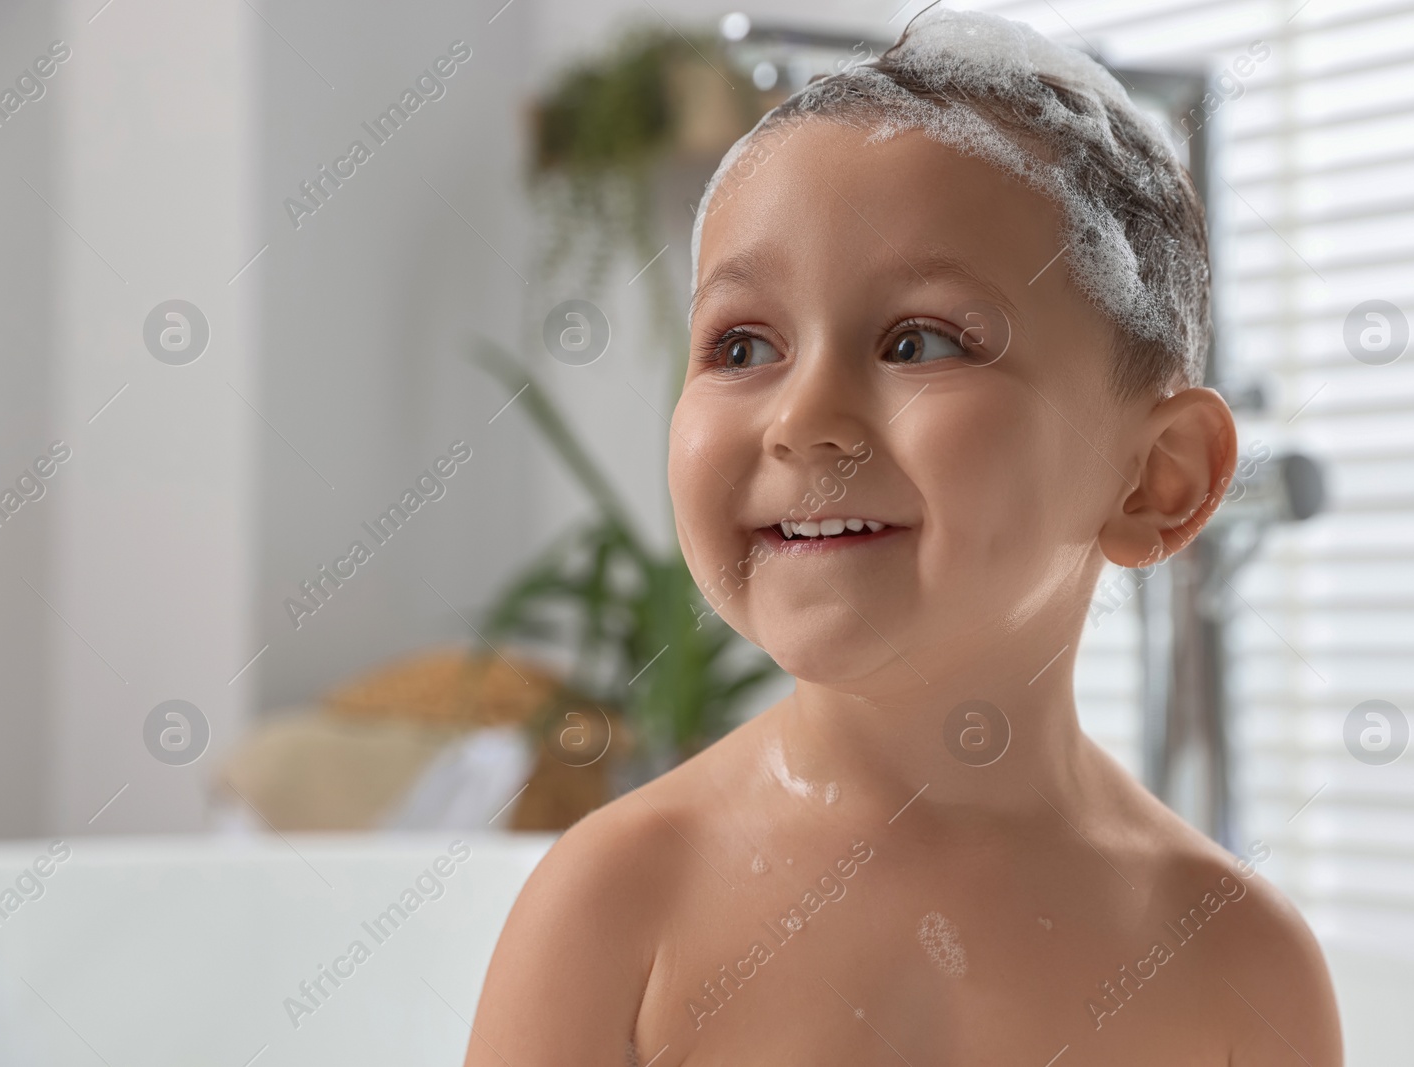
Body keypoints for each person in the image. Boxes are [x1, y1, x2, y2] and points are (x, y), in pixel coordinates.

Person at [467, 8, 1342, 1064]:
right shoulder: (620, 901)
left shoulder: (1235, 961)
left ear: (1156, 479)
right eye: (742, 344)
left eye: (919, 340)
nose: (799, 418)